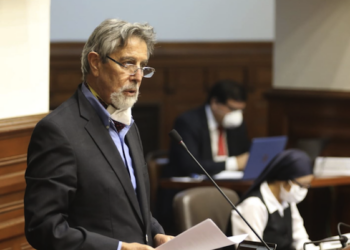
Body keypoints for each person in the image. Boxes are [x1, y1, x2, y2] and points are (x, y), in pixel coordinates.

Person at [24, 19, 173, 250]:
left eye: (142, 66)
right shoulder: (57, 131)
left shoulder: (127, 120)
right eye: (128, 63)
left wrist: (156, 233)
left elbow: (131, 203)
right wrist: (119, 248)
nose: (138, 76)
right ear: (95, 63)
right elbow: (44, 227)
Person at [231, 149, 314, 250]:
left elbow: (301, 240)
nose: (304, 190)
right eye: (302, 186)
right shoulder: (253, 205)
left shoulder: (287, 199)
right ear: (284, 181)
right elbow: (251, 248)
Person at [165, 79, 250, 177]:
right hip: (189, 186)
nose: (237, 115)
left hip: (231, 184)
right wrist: (233, 164)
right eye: (232, 109)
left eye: (241, 110)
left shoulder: (237, 124)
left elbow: (244, 156)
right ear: (215, 103)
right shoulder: (188, 122)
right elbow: (189, 164)